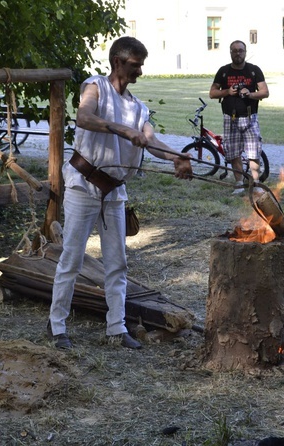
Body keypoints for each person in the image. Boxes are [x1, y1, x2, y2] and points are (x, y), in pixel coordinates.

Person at [48, 37, 193, 350]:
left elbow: (151, 140)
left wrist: (176, 158)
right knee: (72, 258)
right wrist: (121, 130)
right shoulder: (95, 87)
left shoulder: (138, 107)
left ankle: (116, 328)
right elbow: (84, 117)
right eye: (134, 65)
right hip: (83, 185)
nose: (139, 71)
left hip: (114, 192)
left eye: (141, 65)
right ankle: (57, 326)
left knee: (117, 263)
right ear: (117, 61)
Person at [209, 40, 270, 195]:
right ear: (230, 52)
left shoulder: (253, 70)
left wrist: (250, 94)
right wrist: (227, 92)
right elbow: (212, 93)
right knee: (233, 151)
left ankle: (255, 183)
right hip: (230, 117)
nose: (238, 53)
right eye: (234, 50)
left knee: (253, 152)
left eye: (240, 50)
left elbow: (265, 92)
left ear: (245, 52)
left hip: (250, 117)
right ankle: (238, 183)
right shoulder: (224, 71)